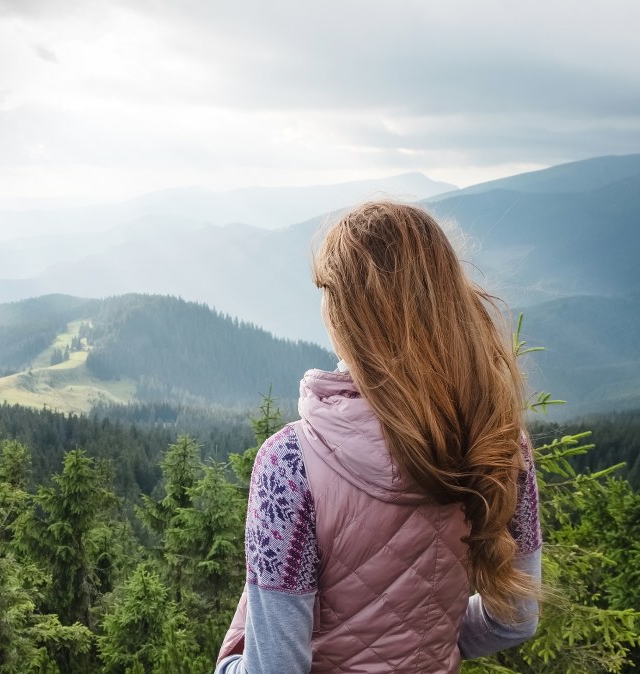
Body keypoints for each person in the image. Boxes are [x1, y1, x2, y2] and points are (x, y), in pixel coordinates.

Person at [215, 201, 542, 673]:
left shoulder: (290, 465)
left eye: (327, 293)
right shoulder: (500, 442)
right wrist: (428, 647)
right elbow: (514, 620)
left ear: (346, 312)